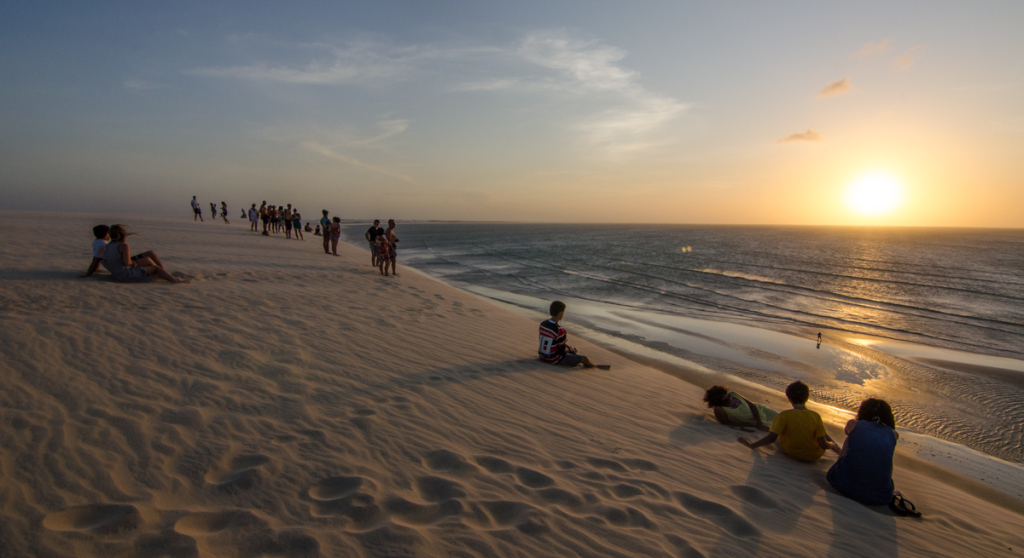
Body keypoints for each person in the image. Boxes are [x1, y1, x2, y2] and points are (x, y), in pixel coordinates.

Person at [738, 381, 839, 461]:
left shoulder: (784, 415)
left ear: (789, 398)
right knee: (823, 434)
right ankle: (839, 451)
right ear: (807, 398)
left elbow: (771, 438)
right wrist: (832, 444)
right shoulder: (815, 416)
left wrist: (752, 445)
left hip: (790, 452)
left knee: (781, 435)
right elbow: (823, 444)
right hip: (814, 456)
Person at [826, 398, 901, 507]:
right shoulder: (894, 434)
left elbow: (847, 431)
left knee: (850, 438)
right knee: (884, 451)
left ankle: (843, 469)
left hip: (841, 483)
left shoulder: (854, 424)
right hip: (880, 497)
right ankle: (880, 483)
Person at [102, 224, 189, 284]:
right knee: (155, 268)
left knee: (149, 257)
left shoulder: (108, 245)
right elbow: (126, 263)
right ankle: (174, 281)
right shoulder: (123, 246)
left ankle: (164, 275)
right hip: (125, 275)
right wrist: (134, 263)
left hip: (117, 274)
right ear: (122, 236)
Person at [538, 301, 611, 370]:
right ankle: (595, 366)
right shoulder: (560, 330)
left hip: (542, 356)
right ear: (560, 314)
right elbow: (561, 351)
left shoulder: (543, 324)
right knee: (583, 358)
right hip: (553, 359)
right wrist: (569, 350)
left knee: (568, 349)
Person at [81, 225, 166, 278]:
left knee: (150, 253)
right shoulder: (102, 245)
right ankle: (160, 272)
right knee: (149, 257)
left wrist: (96, 270)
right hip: (121, 263)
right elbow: (95, 260)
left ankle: (161, 272)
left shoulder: (97, 242)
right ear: (107, 234)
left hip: (120, 260)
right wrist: (88, 275)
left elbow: (98, 259)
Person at [703, 385, 778, 431]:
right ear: (718, 402)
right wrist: (753, 425)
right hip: (752, 422)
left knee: (782, 416)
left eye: (729, 395)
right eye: (726, 399)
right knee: (776, 429)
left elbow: (752, 406)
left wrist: (759, 422)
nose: (730, 399)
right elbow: (726, 422)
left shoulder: (734, 394)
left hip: (759, 411)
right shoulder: (719, 409)